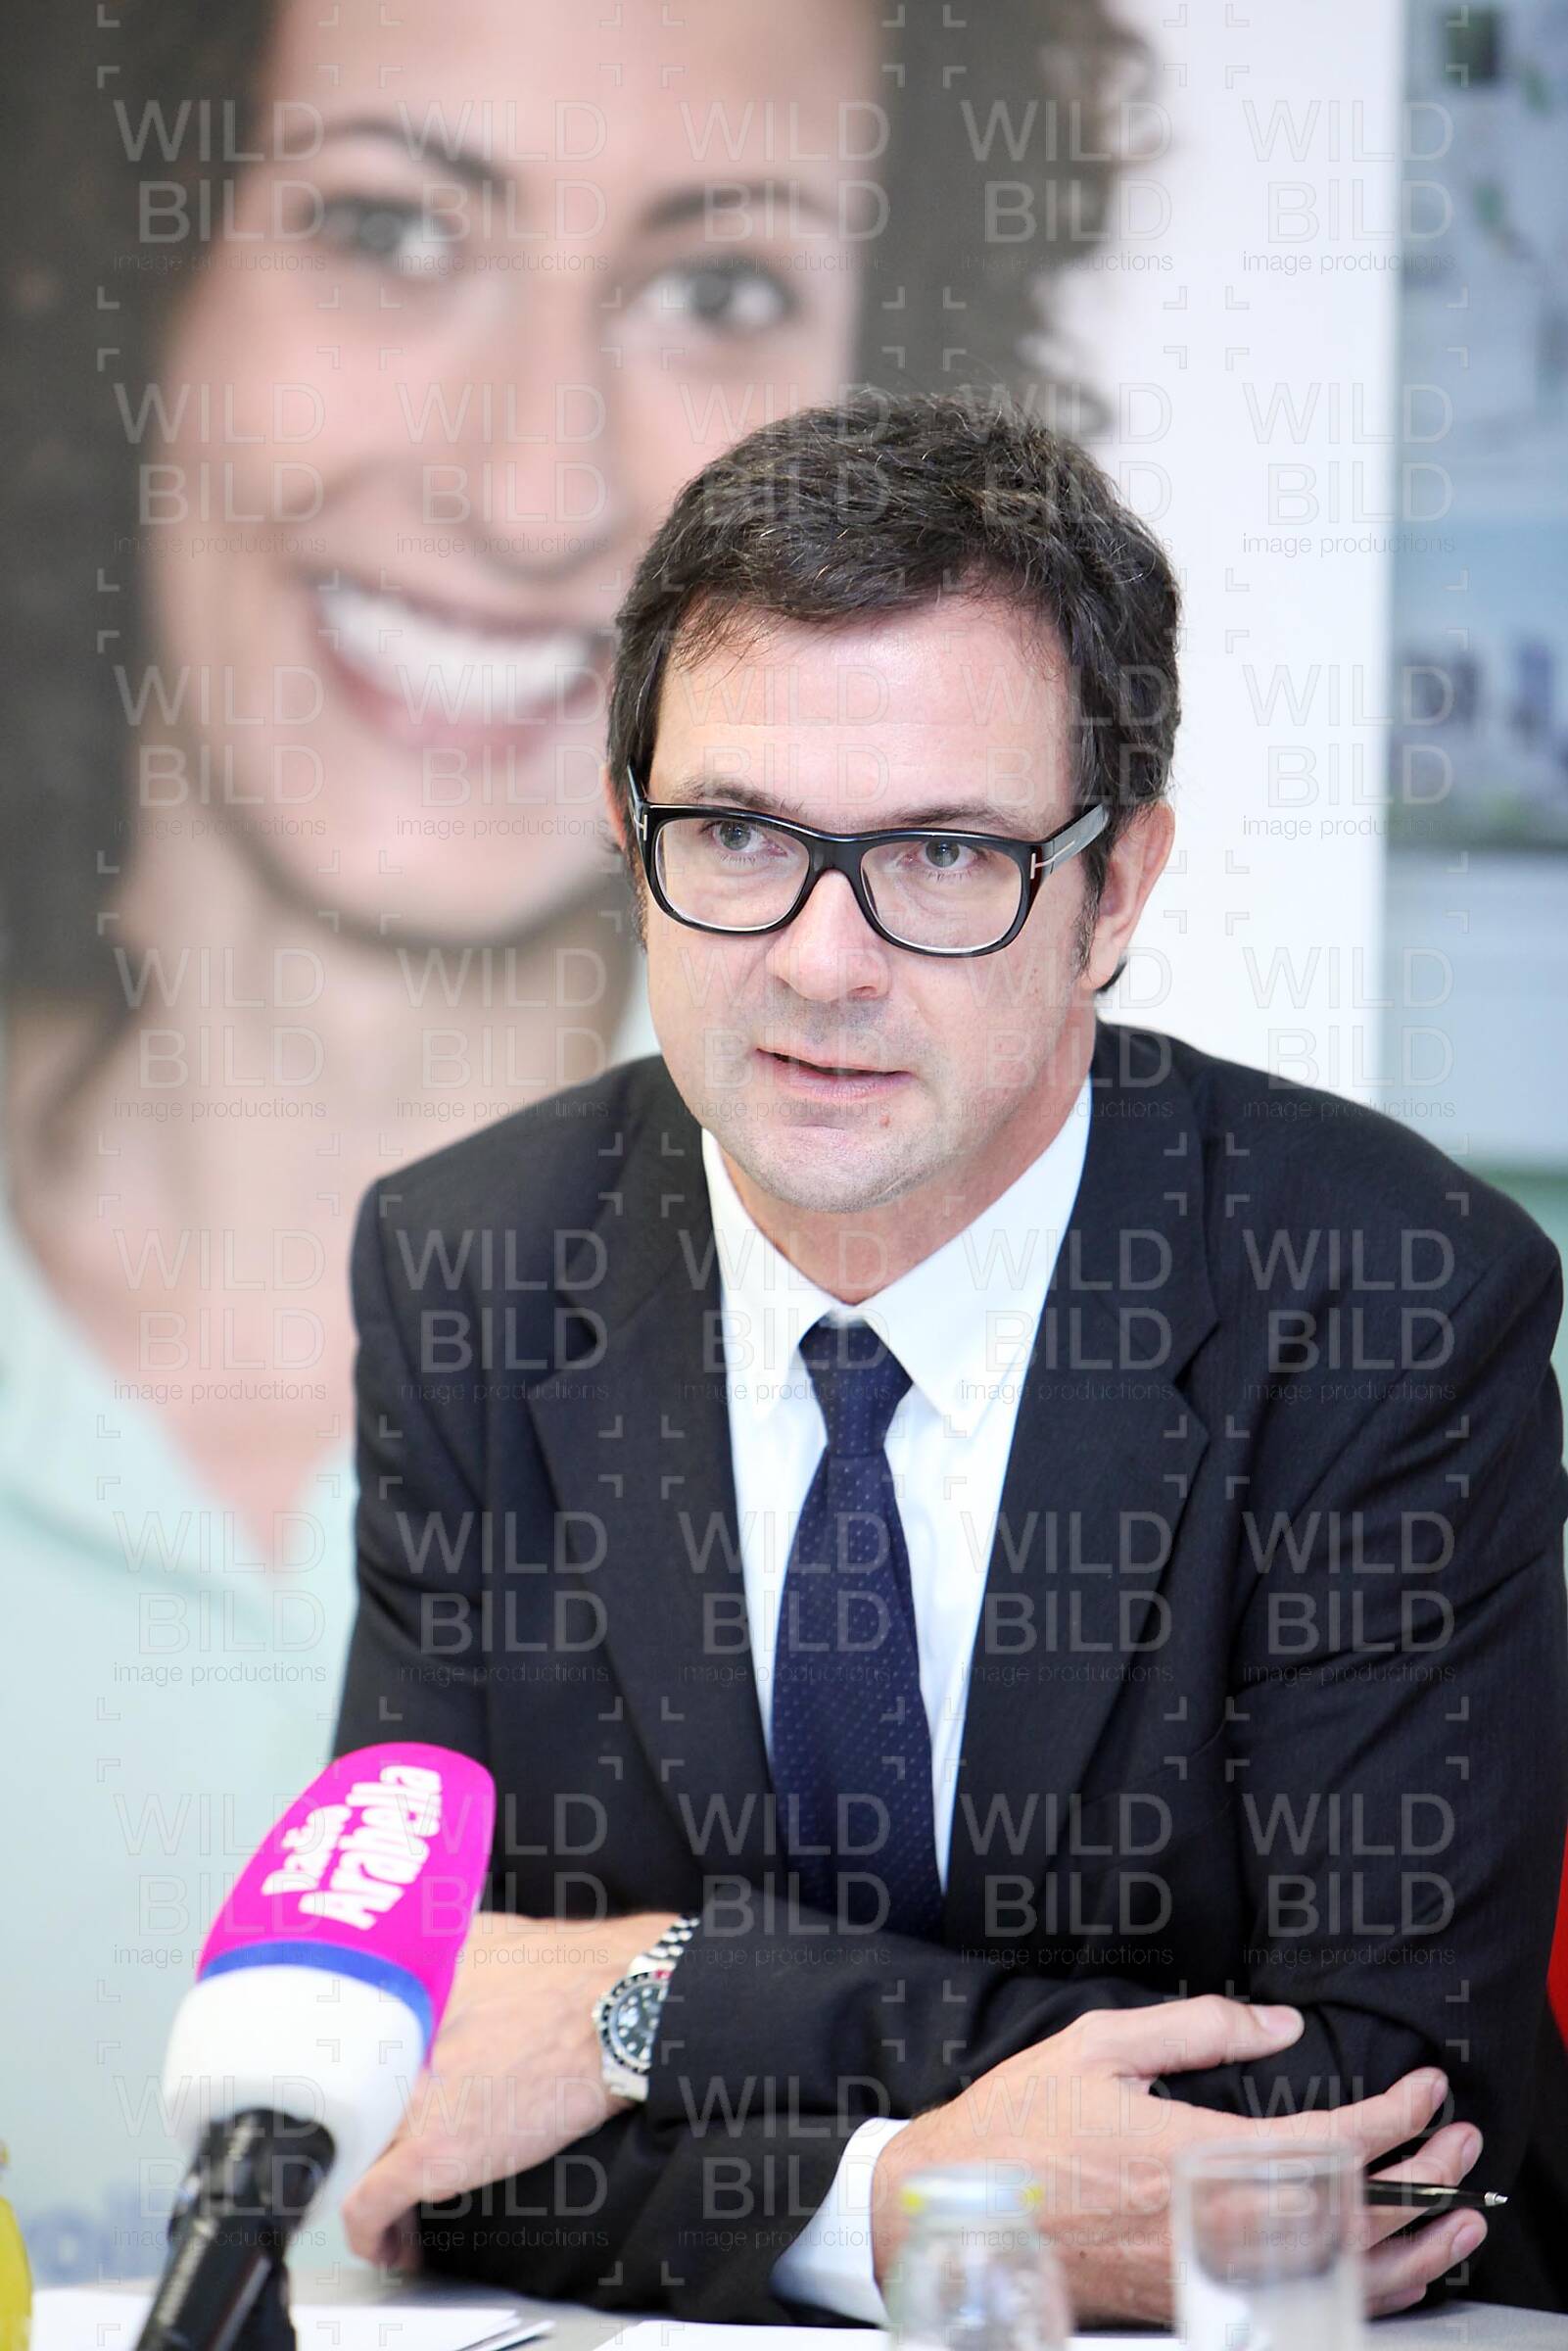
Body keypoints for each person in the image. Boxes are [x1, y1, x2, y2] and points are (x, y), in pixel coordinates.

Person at [0, 0, 1149, 2280]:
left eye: (714, 285)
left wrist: (670, 2018)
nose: (531, 485)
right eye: (388, 230)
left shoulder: (1109, 1300)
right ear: (141, 286)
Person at [331, 390, 1568, 2326]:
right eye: (737, 833)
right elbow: (411, 2078)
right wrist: (916, 2208)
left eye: (942, 855)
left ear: (1114, 890)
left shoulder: (1382, 1297)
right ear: (627, 836)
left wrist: (660, 1999)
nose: (822, 959)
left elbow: (1392, 2125)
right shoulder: (476, 1271)